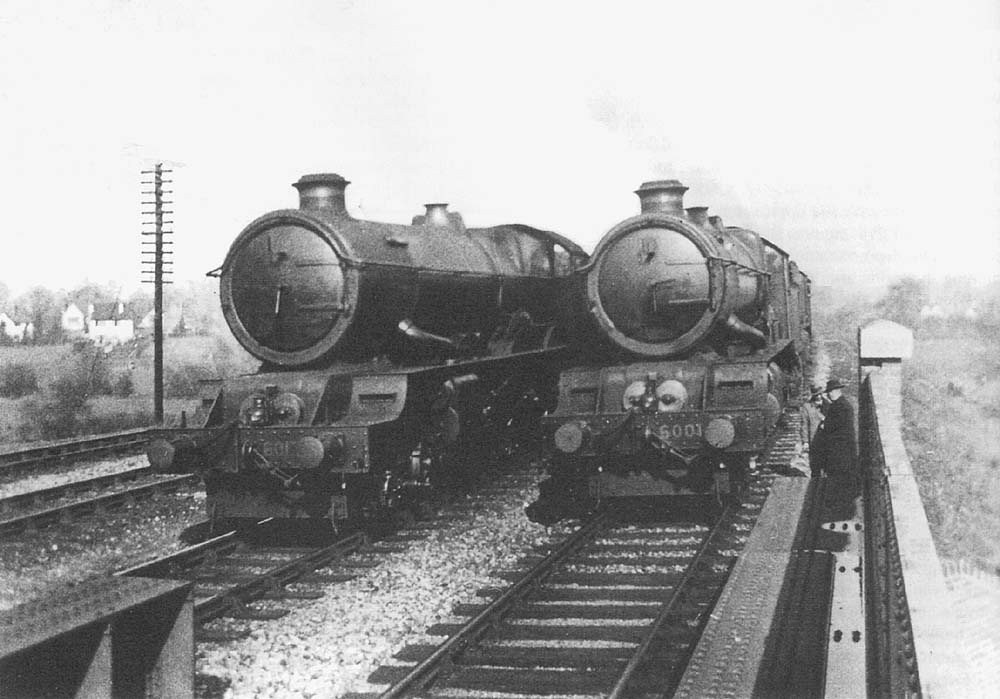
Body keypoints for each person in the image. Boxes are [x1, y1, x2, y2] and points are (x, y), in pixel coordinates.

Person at [815, 377, 858, 485]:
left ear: (836, 391)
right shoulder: (840, 404)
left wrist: (824, 425)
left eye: (830, 392)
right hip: (841, 449)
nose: (829, 395)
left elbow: (837, 426)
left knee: (838, 477)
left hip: (840, 450)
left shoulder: (841, 406)